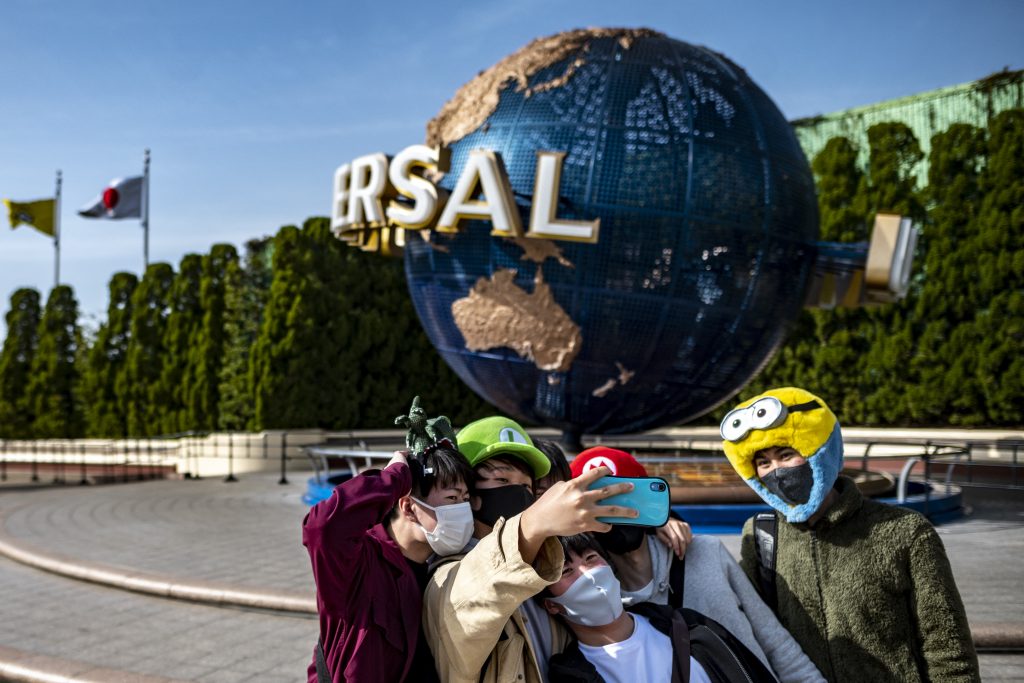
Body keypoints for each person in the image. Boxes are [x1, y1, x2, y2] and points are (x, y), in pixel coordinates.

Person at [720, 386, 980, 683]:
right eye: (764, 463)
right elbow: (753, 632)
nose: (776, 470)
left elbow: (946, 643)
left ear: (820, 452)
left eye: (786, 454)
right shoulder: (761, 536)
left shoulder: (905, 531)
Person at [569, 447, 824, 683]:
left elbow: (774, 641)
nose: (618, 512)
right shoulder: (598, 602)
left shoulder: (705, 552)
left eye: (627, 498)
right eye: (602, 505)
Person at [422, 416, 640, 683]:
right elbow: (473, 598)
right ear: (468, 492)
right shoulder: (445, 577)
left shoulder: (547, 561)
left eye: (527, 486)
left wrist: (660, 526)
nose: (519, 493)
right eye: (502, 479)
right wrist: (534, 523)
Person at [303, 445, 475, 683]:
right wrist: (393, 479)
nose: (462, 510)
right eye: (452, 498)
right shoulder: (359, 563)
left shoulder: (441, 566)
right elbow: (323, 528)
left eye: (465, 499)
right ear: (408, 507)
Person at [537, 533, 778, 683]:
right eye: (567, 571)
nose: (588, 574)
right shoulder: (569, 676)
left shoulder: (692, 628)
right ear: (551, 606)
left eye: (591, 559)